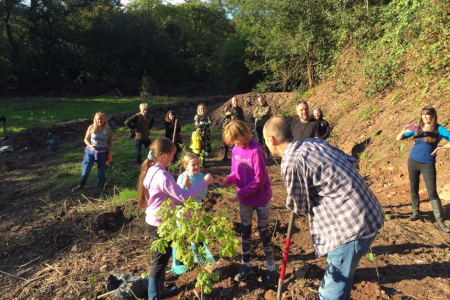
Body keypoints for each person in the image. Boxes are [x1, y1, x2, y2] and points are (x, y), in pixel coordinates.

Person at [263, 117, 384, 299]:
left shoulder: (291, 161)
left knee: (329, 294)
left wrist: (293, 201)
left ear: (272, 139)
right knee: (344, 281)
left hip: (350, 229)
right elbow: (350, 161)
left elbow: (300, 206)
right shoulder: (312, 142)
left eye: (265, 140)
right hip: (370, 212)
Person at [138, 137, 214, 299]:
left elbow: (172, 198)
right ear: (164, 155)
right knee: (159, 261)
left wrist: (185, 197)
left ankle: (160, 290)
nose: (173, 159)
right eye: (172, 155)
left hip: (154, 220)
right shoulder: (163, 176)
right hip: (160, 224)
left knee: (163, 258)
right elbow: (185, 197)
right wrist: (204, 183)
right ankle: (154, 296)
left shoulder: (152, 170)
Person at [214, 120, 277, 286]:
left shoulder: (256, 151)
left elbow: (260, 179)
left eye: (235, 140)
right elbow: (235, 173)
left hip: (261, 199)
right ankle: (246, 264)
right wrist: (227, 179)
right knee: (245, 231)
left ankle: (271, 267)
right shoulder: (236, 150)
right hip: (245, 200)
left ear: (243, 135)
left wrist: (240, 193)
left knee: (264, 232)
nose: (234, 144)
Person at [396, 106, 450, 233]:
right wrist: (403, 131)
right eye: (423, 114)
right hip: (413, 161)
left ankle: (440, 220)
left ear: (433, 115)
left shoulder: (439, 129)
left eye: (427, 114)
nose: (425, 116)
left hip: (428, 164)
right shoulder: (417, 127)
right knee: (413, 188)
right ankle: (415, 213)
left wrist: (440, 147)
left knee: (432, 192)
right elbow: (399, 138)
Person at [171, 152, 208, 272]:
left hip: (196, 210)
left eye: (198, 164)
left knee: (195, 235)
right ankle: (176, 263)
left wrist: (192, 188)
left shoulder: (202, 177)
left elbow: (202, 196)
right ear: (186, 165)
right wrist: (183, 185)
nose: (196, 166)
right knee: (180, 236)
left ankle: (196, 258)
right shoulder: (182, 177)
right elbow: (178, 196)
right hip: (183, 211)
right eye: (193, 164)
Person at [72, 111, 112, 197]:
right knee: (86, 170)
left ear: (105, 119)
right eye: (98, 119)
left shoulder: (108, 129)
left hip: (103, 152)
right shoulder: (91, 127)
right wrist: (90, 145)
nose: (99, 121)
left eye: (101, 119)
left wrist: (109, 153)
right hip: (91, 152)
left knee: (101, 172)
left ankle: (101, 190)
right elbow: (85, 139)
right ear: (95, 119)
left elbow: (110, 141)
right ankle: (81, 185)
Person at [221, 96, 245, 162]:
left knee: (235, 142)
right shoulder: (228, 108)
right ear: (232, 102)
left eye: (236, 101)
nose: (235, 102)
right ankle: (225, 156)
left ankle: (235, 156)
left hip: (235, 128)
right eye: (234, 101)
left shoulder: (240, 110)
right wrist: (226, 114)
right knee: (226, 142)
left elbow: (242, 119)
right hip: (227, 127)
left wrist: (236, 118)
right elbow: (222, 115)